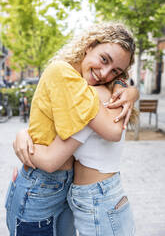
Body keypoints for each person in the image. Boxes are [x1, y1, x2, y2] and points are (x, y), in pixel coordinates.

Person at [6, 22, 138, 236]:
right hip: (43, 189)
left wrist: (126, 88)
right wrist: (20, 137)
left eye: (115, 71)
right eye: (104, 59)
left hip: (73, 192)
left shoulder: (89, 89)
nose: (104, 73)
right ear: (89, 46)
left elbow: (112, 131)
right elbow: (49, 142)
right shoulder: (69, 78)